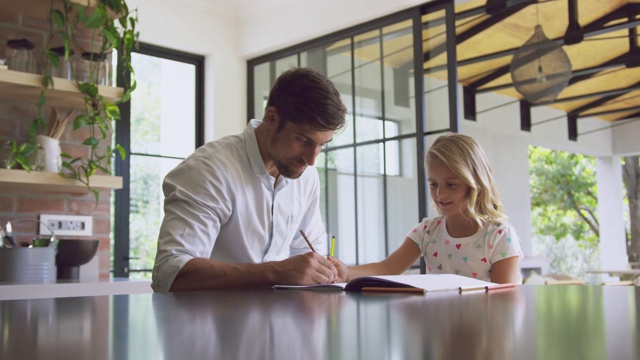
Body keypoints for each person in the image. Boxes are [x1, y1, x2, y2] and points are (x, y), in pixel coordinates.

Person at [152, 67, 347, 292]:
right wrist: (274, 272)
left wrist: (321, 270)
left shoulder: (306, 176)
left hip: (284, 322)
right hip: (210, 324)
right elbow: (170, 272)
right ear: (272, 118)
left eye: (322, 145)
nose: (311, 159)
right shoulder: (210, 169)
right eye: (303, 140)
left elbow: (303, 255)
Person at [329, 133, 523, 284]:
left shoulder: (498, 235)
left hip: (484, 332)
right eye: (433, 184)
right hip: (437, 330)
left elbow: (505, 297)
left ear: (475, 183)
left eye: (451, 185)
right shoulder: (428, 232)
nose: (440, 194)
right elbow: (388, 268)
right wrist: (345, 272)